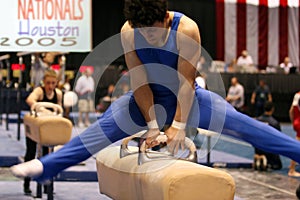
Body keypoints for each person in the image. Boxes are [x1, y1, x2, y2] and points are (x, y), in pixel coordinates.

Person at [11, 0, 300, 186]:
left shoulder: (186, 29)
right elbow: (140, 81)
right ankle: (45, 166)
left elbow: (186, 83)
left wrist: (176, 126)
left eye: (154, 32)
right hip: (144, 99)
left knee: (247, 127)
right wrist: (151, 126)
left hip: (188, 99)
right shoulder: (129, 31)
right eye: (143, 32)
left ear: (165, 16)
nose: (149, 37)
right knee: (102, 129)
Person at [23, 69, 63, 195]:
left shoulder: (58, 94)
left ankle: (46, 186)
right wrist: (43, 109)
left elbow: (59, 110)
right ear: (43, 82)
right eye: (48, 83)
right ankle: (27, 183)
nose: (50, 86)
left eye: (53, 83)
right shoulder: (39, 91)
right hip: (34, 126)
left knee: (47, 156)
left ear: (56, 83)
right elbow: (30, 100)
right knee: (30, 154)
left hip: (47, 128)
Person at [254, 101, 282, 171]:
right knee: (278, 166)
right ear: (272, 109)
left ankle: (259, 155)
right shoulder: (274, 123)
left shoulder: (257, 120)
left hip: (258, 147)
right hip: (269, 148)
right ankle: (267, 161)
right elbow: (278, 139)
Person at [288, 91, 300, 177]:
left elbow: (291, 110)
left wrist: (293, 122)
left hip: (297, 121)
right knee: (297, 145)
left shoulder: (297, 94)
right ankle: (292, 169)